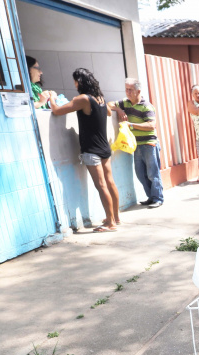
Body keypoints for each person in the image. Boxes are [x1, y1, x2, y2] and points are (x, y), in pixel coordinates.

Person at [51, 68, 121, 232]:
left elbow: (57, 111)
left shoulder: (83, 99)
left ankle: (110, 223)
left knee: (101, 185)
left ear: (79, 82)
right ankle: (115, 217)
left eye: (75, 81)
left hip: (92, 149)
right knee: (109, 182)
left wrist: (52, 99)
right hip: (104, 147)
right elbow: (109, 113)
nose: (74, 84)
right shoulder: (100, 98)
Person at [110, 78, 164, 209]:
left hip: (149, 143)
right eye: (126, 89)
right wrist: (119, 110)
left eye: (130, 90)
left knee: (153, 173)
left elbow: (151, 125)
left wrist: (131, 125)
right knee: (140, 173)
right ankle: (151, 197)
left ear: (138, 91)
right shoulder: (125, 103)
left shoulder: (147, 106)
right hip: (136, 145)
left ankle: (158, 198)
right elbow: (109, 104)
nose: (127, 92)